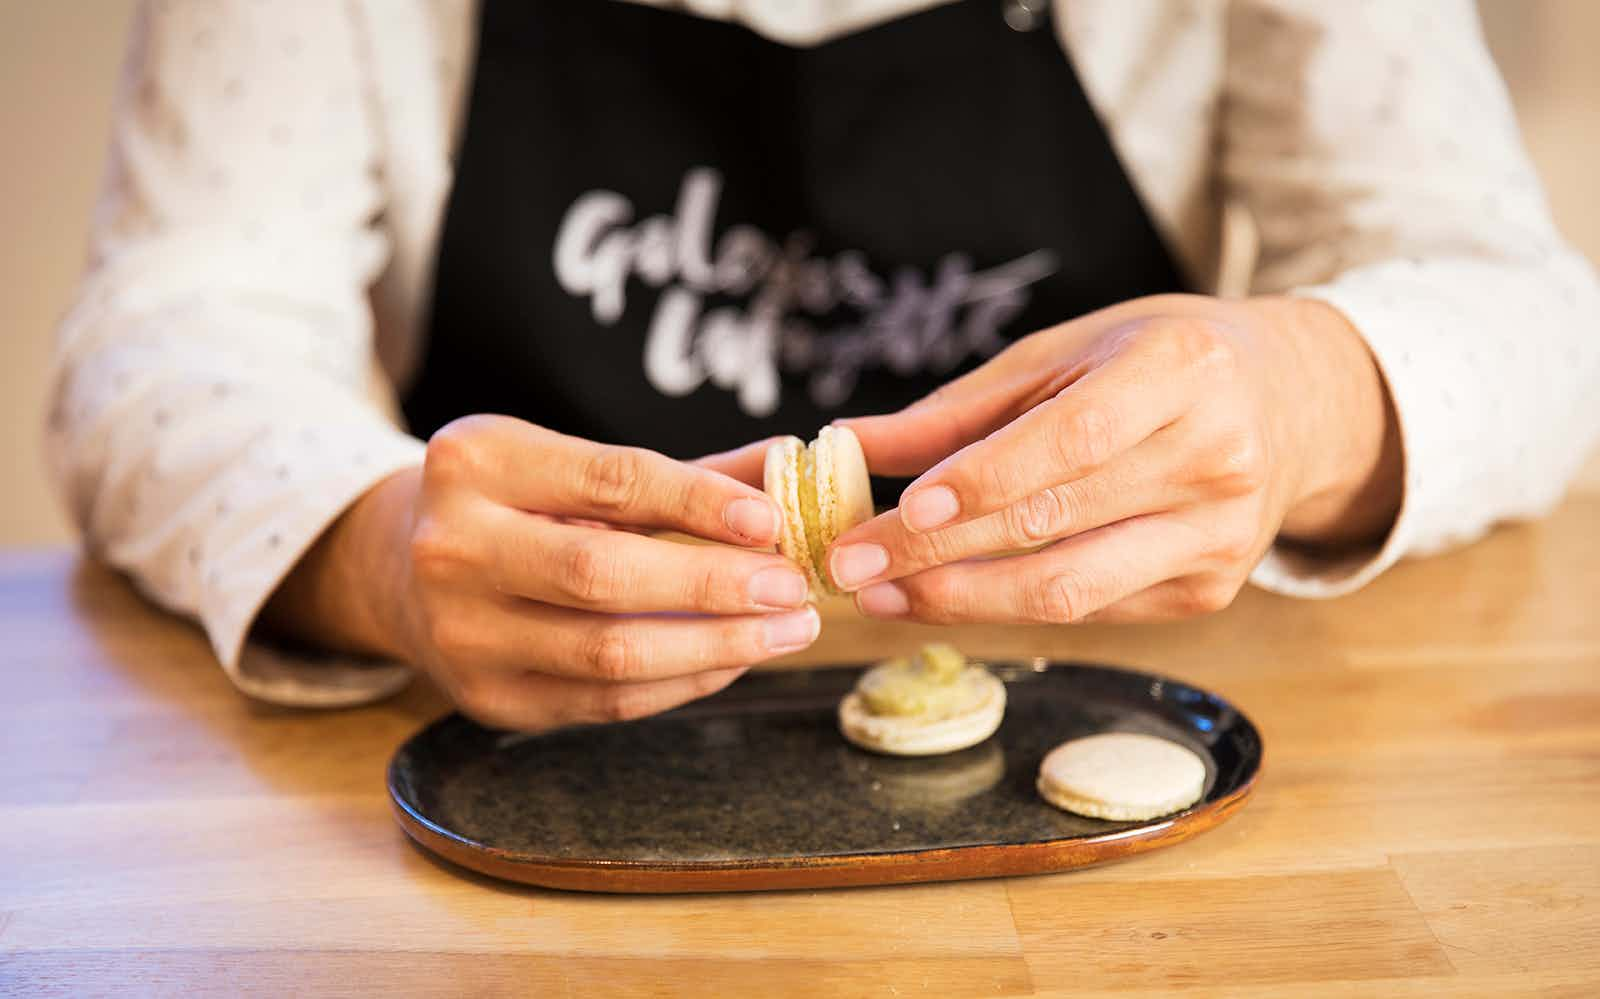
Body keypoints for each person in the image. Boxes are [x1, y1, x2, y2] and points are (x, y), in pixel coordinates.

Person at [48, 0, 1600, 730]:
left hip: (1114, 767)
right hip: (507, 789)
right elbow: (169, 331)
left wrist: (1300, 391)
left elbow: (1536, 320)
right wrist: (376, 551)